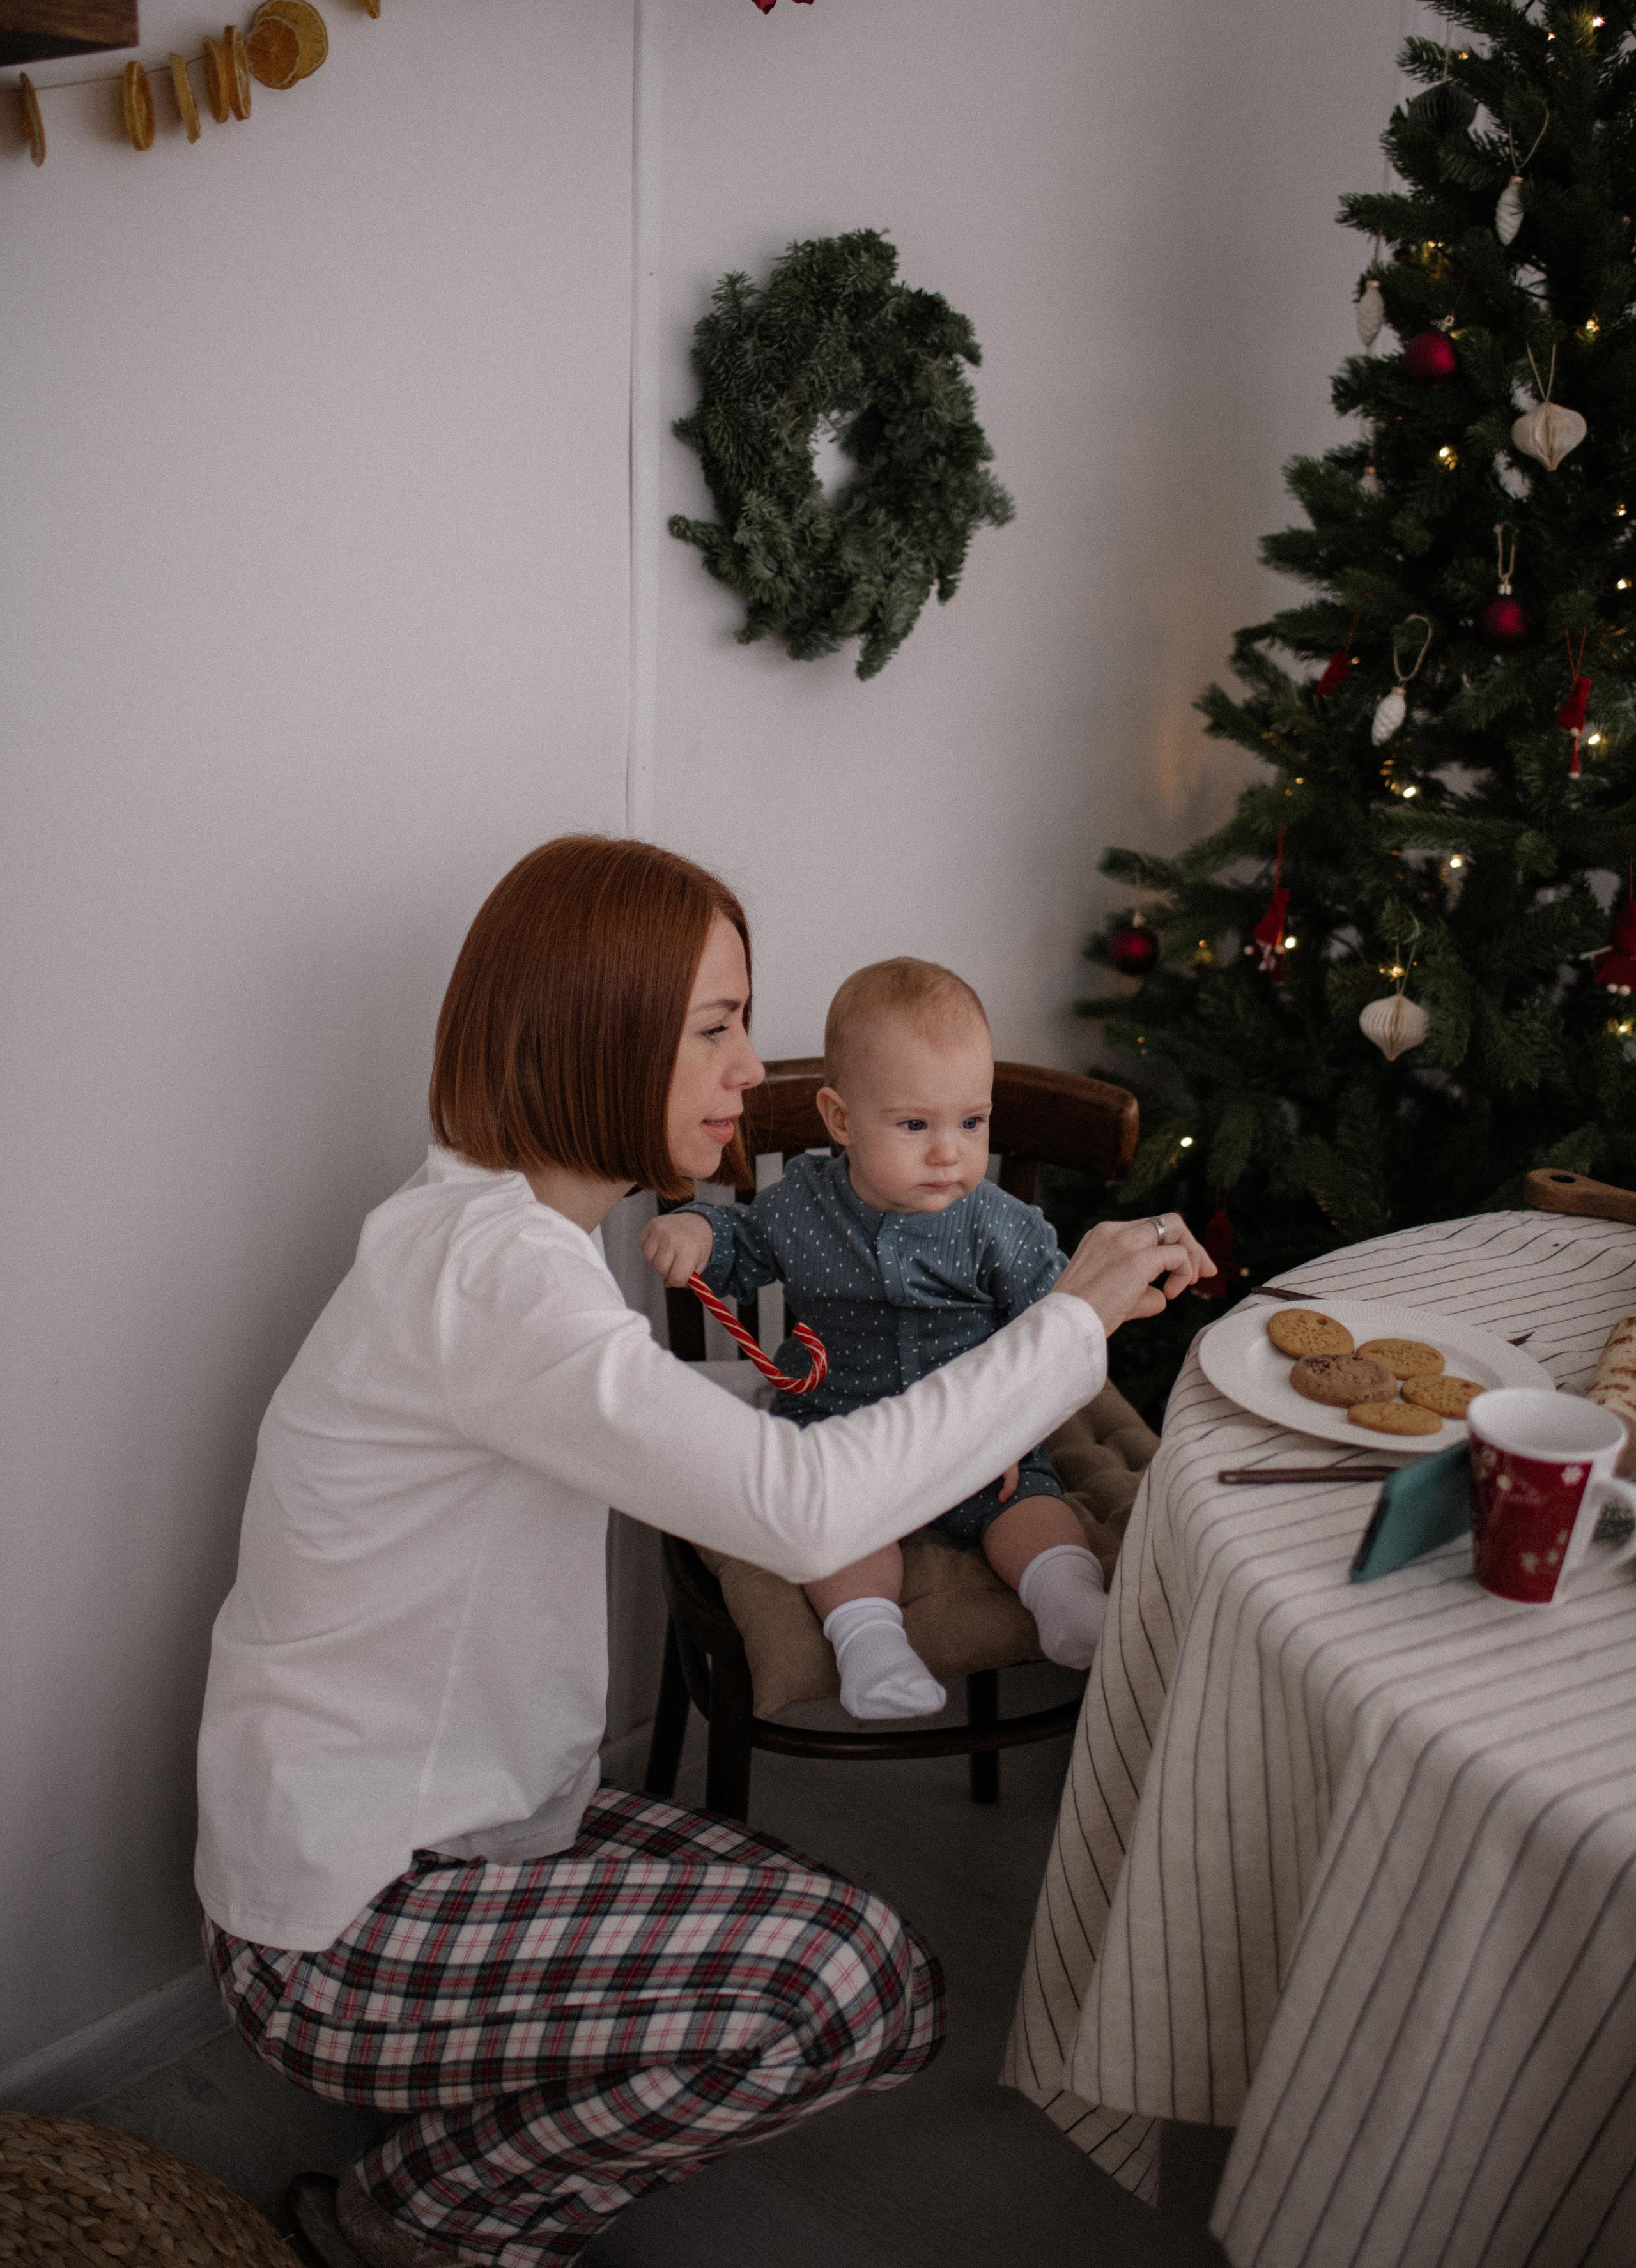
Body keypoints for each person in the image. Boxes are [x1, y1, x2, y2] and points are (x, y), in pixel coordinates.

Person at [193, 835, 1212, 2268]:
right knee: (852, 1992)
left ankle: (458, 2165)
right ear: (598, 1032)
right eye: (716, 1028)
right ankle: (414, 2217)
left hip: (454, 1832)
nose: (751, 1073)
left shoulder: (488, 1236)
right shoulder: (497, 1279)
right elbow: (805, 1511)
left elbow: (675, 1429)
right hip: (342, 1922)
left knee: (872, 1976)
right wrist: (1073, 1318)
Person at [641, 956, 1107, 1722]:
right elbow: (742, 1242)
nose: (949, 1152)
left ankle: (1070, 1600)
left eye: (972, 1122)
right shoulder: (799, 1207)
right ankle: (869, 1640)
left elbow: (1053, 1336)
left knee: (1030, 1509)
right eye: (915, 1124)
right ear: (839, 1119)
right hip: (842, 1435)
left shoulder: (1001, 1228)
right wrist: (695, 1229)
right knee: (836, 1530)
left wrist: (1014, 1430)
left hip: (976, 1442)